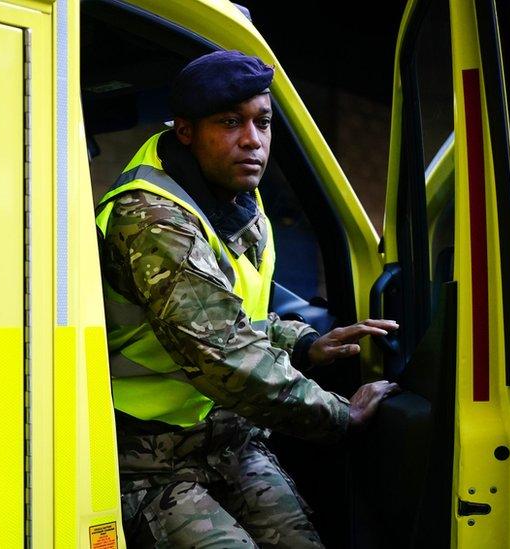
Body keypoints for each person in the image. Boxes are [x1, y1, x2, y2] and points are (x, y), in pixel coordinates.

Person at [95, 50, 400, 548]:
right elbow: (224, 354)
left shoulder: (238, 198)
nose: (252, 141)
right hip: (153, 463)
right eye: (230, 122)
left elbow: (239, 311)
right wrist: (342, 416)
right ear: (186, 131)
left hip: (232, 442)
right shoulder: (151, 217)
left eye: (262, 122)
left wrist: (305, 345)